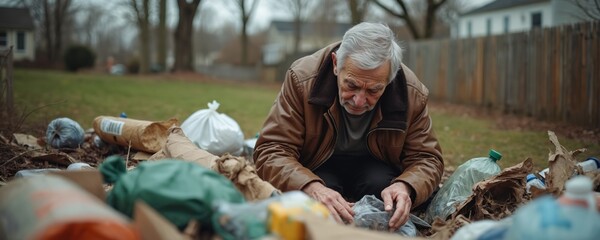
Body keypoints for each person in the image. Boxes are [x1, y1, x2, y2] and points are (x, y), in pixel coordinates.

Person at [253, 22, 443, 231]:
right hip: (316, 166)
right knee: (318, 201)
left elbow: (427, 158)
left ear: (390, 78)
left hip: (376, 169)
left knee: (384, 191)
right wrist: (310, 186)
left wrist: (406, 186)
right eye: (351, 85)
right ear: (336, 64)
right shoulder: (302, 79)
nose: (359, 101)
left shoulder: (411, 93)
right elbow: (271, 149)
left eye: (373, 90)